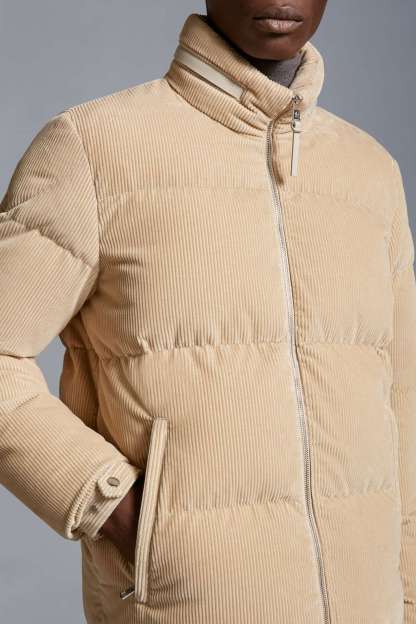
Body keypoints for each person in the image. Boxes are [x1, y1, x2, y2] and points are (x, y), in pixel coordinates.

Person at [0, 2, 415, 623]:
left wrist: (406, 596)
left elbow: (403, 398)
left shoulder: (371, 171)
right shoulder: (93, 148)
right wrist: (109, 502)